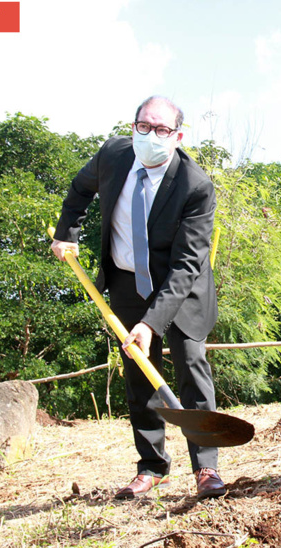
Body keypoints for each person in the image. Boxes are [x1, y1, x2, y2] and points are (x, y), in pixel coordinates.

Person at [51, 96, 226, 499]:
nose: (150, 136)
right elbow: (79, 189)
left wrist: (151, 324)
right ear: (133, 127)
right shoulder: (113, 154)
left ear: (177, 136)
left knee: (190, 367)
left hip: (180, 289)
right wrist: (67, 232)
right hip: (127, 281)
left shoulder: (194, 185)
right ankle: (152, 466)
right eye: (143, 126)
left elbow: (187, 265)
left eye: (162, 130)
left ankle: (206, 468)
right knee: (137, 374)